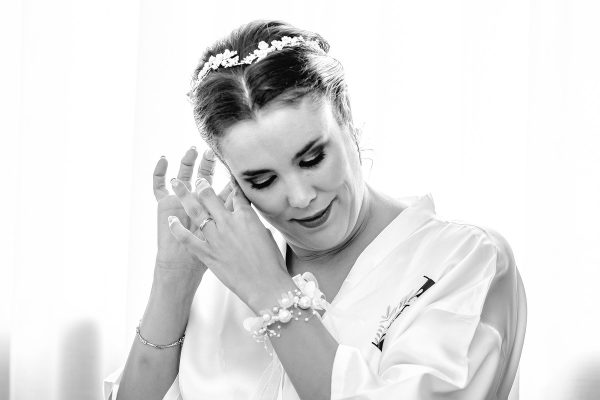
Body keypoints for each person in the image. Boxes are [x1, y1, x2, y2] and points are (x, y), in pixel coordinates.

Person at [103, 19, 527, 400]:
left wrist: (272, 295)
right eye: (262, 181)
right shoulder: (221, 279)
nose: (301, 196)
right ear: (233, 179)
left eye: (312, 158)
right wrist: (173, 280)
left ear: (346, 118)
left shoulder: (464, 260)